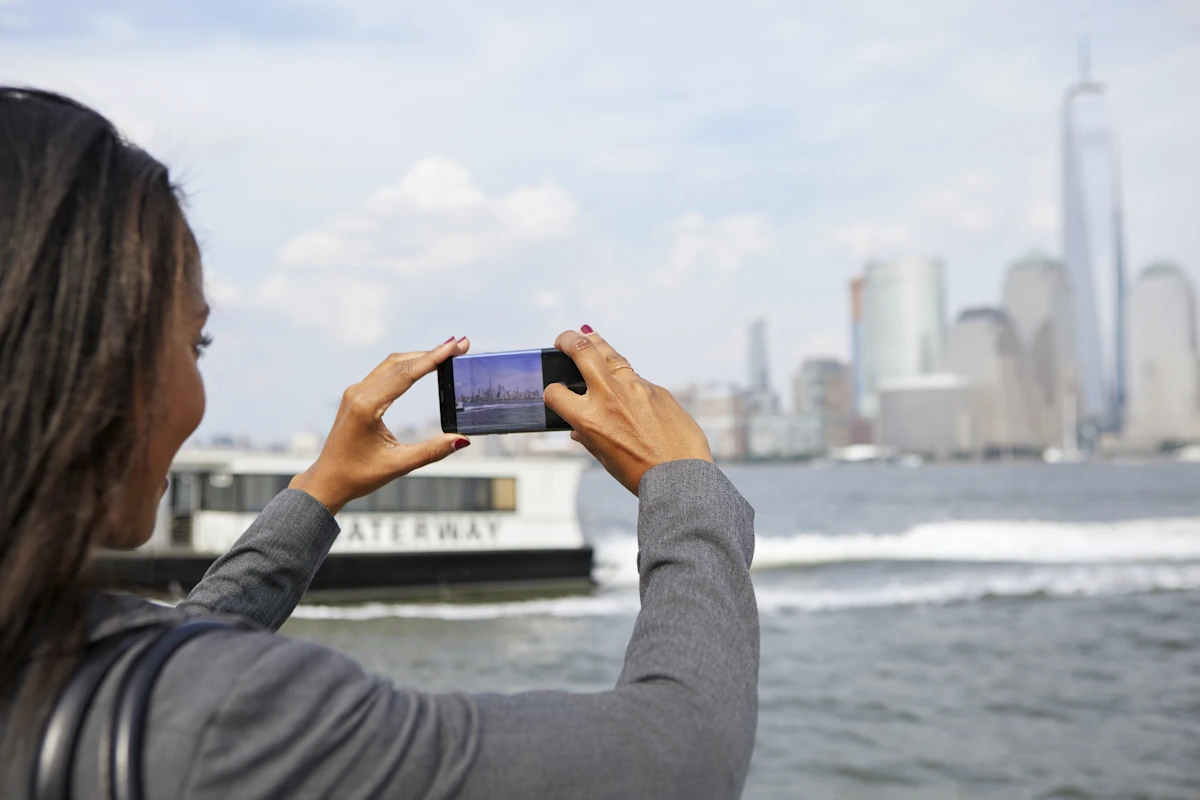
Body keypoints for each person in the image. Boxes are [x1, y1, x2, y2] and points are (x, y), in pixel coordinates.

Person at [0, 88, 759, 800]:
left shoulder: (54, 657)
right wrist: (682, 481)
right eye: (195, 342)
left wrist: (321, 490)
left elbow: (170, 657)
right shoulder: (227, 714)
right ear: (85, 360)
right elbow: (679, 757)